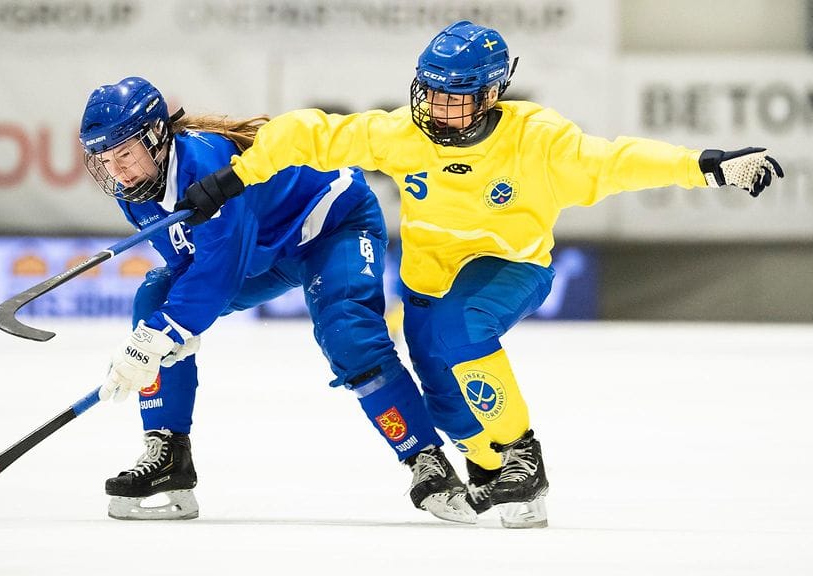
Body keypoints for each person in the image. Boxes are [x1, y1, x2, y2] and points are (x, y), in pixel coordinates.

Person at [174, 21, 785, 529]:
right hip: (428, 278)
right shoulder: (404, 136)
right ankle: (495, 467)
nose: (436, 109)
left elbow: (618, 160)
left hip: (510, 267)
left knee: (463, 327)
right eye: (430, 93)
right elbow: (313, 133)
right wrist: (235, 177)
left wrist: (708, 166)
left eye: (454, 98)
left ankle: (524, 458)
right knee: (442, 390)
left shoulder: (539, 142)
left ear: (491, 95)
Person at [79, 76, 477, 523]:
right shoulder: (136, 192)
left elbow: (216, 275)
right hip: (265, 250)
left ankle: (427, 461)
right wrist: (166, 334)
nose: (119, 171)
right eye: (106, 160)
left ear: (156, 139)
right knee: (157, 298)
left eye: (126, 154)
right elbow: (188, 269)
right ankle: (168, 456)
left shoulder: (205, 164)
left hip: (333, 224)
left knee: (349, 334)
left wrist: (164, 334)